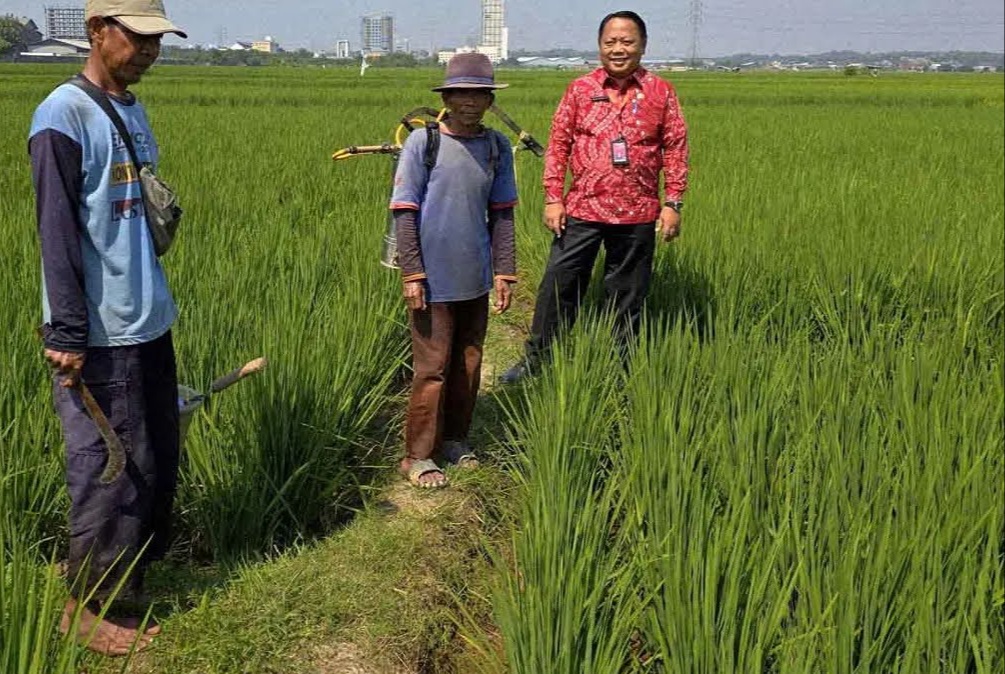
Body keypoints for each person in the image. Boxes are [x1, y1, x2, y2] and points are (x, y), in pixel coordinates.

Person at [29, 0, 186, 656]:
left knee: (153, 462)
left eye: (157, 40)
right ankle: (85, 610)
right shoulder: (61, 115)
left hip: (148, 319)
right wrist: (66, 332)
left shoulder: (130, 108)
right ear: (97, 32)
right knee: (107, 469)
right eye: (138, 37)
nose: (150, 50)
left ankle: (125, 583)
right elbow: (57, 230)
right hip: (98, 333)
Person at [500, 10, 689, 383]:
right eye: (610, 42)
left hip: (637, 212)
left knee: (628, 295)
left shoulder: (661, 91)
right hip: (583, 208)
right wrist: (554, 197)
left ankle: (622, 368)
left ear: (643, 46)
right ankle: (537, 360)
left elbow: (676, 148)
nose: (618, 49)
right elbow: (558, 144)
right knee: (559, 284)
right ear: (600, 46)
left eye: (627, 42)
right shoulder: (580, 89)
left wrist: (673, 203)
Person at [390, 53, 518, 488]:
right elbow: (404, 211)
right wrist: (412, 273)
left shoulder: (497, 147)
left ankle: (456, 441)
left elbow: (502, 214)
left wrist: (505, 271)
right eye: (461, 92)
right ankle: (418, 456)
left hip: (474, 277)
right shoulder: (422, 145)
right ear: (446, 97)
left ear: (489, 100)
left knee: (469, 362)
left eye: (480, 93)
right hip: (431, 280)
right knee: (431, 369)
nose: (470, 101)